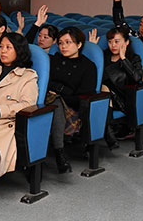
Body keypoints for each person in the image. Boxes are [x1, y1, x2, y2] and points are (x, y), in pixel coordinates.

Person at [0, 32, 38, 176]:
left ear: (19, 50)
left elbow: (28, 104)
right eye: (1, 47)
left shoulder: (28, 76)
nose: (2, 50)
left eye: (8, 47)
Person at [47, 27, 97, 174]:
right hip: (48, 101)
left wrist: (61, 92)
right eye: (61, 43)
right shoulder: (54, 60)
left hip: (73, 107)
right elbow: (45, 83)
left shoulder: (88, 66)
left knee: (56, 103)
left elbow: (83, 97)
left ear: (79, 44)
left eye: (68, 42)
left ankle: (59, 153)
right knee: (53, 102)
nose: (63, 46)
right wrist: (63, 90)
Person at [90, 27, 143, 142]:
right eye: (110, 42)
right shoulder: (103, 56)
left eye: (117, 42)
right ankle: (106, 132)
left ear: (127, 42)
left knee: (104, 90)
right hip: (102, 95)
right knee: (102, 90)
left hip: (123, 99)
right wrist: (93, 52)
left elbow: (137, 78)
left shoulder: (133, 58)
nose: (113, 45)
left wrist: (123, 58)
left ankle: (105, 133)